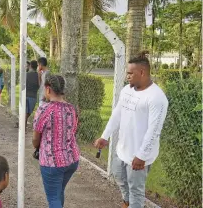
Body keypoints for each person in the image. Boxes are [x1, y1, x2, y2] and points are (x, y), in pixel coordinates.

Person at [94, 51, 169, 208]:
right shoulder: (126, 90)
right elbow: (117, 114)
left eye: (130, 73)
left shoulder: (156, 97)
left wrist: (141, 156)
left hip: (139, 155)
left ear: (142, 72)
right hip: (122, 149)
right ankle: (127, 203)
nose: (127, 76)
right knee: (119, 177)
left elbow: (154, 130)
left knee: (136, 190)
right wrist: (105, 136)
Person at [33, 74, 80, 208]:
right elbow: (73, 131)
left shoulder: (45, 109)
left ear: (48, 89)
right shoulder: (72, 108)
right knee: (58, 192)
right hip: (72, 159)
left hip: (52, 162)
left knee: (53, 198)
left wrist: (37, 146)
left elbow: (36, 137)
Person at [15, 60, 39, 129]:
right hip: (33, 96)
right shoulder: (38, 75)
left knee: (24, 112)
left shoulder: (25, 74)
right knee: (27, 113)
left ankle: (22, 125)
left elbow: (21, 84)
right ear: (36, 67)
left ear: (30, 66)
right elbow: (40, 85)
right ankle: (23, 126)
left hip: (24, 95)